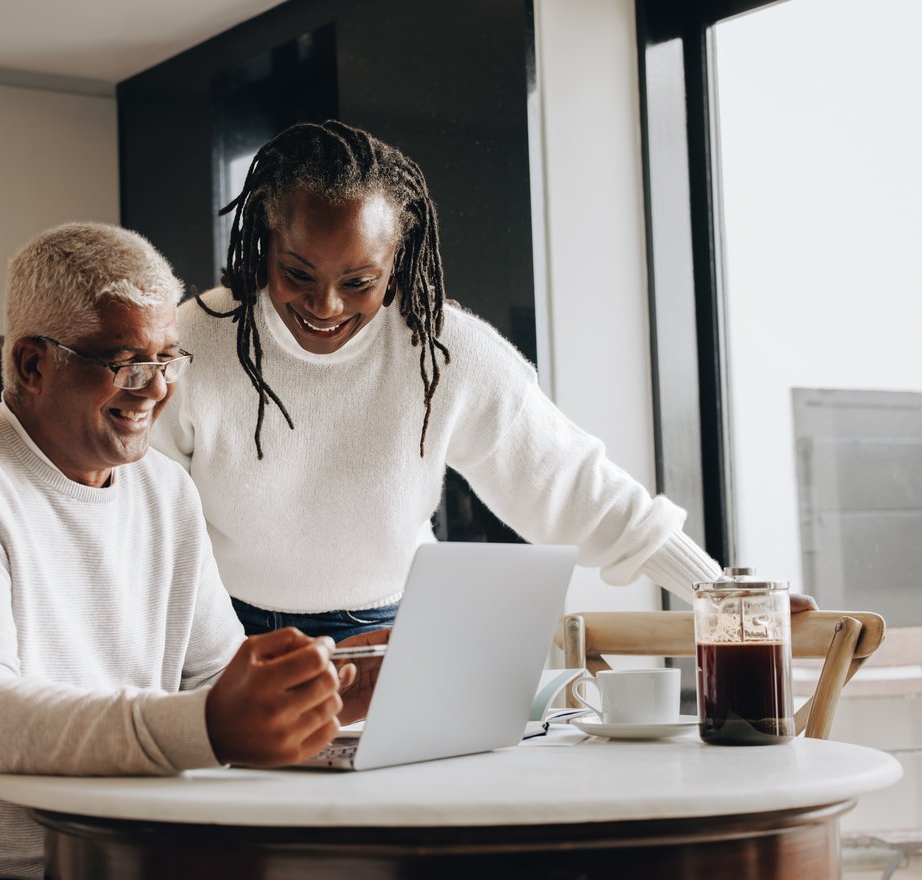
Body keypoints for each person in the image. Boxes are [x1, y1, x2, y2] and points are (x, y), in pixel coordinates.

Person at [0, 223, 359, 880]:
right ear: (33, 364)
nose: (154, 388)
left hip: (116, 858)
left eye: (167, 360)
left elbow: (211, 681)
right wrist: (209, 725)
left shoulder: (165, 491)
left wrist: (327, 684)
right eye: (124, 361)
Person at [152, 119, 812, 640]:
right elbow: (139, 515)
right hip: (222, 629)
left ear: (397, 263)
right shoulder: (192, 343)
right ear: (263, 244)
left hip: (389, 629)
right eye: (298, 273)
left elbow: (575, 487)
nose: (324, 305)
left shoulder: (444, 352)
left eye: (357, 283)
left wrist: (718, 591)